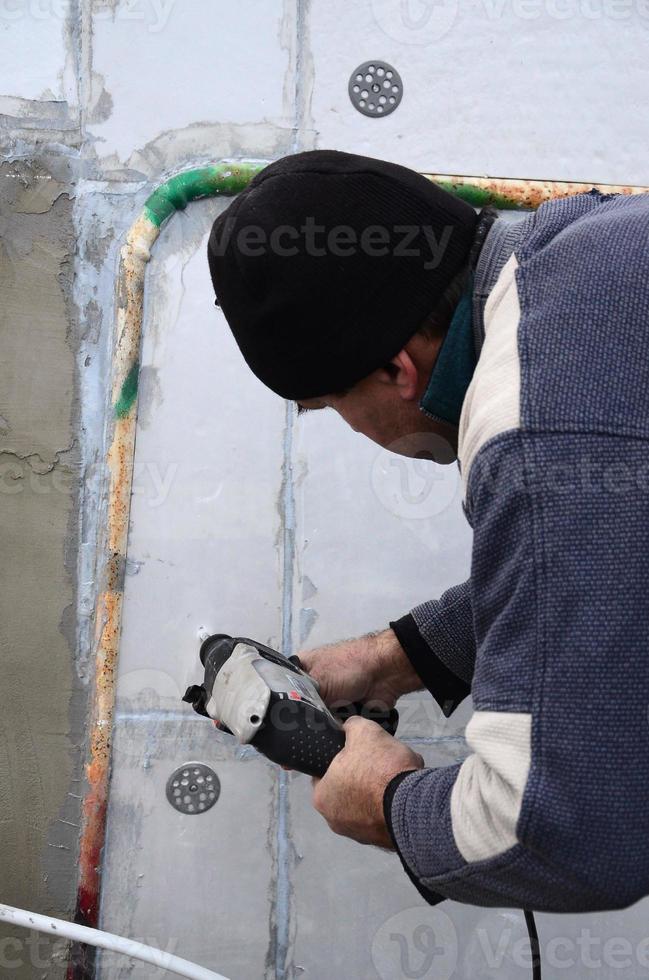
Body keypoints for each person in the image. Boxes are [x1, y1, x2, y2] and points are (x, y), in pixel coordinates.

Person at [207, 149, 649, 911]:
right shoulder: (596, 240)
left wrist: (385, 801)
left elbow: (563, 838)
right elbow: (605, 570)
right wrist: (393, 660)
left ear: (397, 372)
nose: (356, 429)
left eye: (330, 407)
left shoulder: (533, 427)